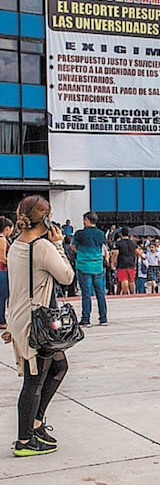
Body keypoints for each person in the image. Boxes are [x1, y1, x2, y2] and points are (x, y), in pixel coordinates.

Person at [5, 195, 74, 456]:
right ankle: (24, 440)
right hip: (38, 323)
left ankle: (35, 423)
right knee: (35, 379)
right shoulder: (41, 247)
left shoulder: (16, 245)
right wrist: (58, 245)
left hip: (22, 317)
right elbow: (67, 277)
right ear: (45, 218)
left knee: (58, 365)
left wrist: (11, 321)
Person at [72, 211, 108, 326]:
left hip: (84, 266)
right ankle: (103, 318)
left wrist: (81, 252)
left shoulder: (79, 234)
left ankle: (86, 319)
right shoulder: (101, 234)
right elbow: (102, 247)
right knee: (100, 294)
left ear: (87, 220)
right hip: (98, 266)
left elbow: (73, 246)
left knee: (86, 294)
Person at [111, 227, 141, 295]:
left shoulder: (118, 243)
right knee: (131, 280)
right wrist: (142, 257)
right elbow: (137, 252)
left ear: (121, 234)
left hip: (122, 263)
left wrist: (112, 263)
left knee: (124, 279)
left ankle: (125, 293)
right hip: (131, 263)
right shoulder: (133, 243)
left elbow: (115, 254)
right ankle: (132, 293)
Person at [0, 216, 13, 329]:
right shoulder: (2, 239)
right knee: (2, 296)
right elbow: (2, 258)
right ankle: (1, 320)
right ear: (7, 228)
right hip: (2, 271)